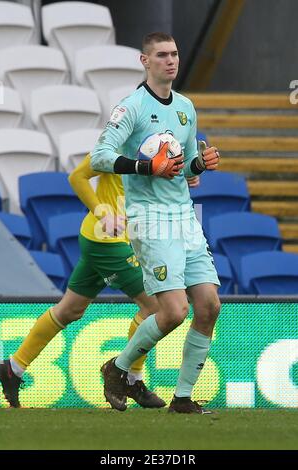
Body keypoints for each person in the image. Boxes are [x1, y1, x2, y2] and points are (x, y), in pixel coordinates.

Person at [0, 153, 199, 410]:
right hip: (106, 241)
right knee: (158, 307)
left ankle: (13, 368)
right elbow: (77, 176)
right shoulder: (112, 149)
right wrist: (102, 213)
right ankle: (130, 377)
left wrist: (185, 177)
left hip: (116, 239)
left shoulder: (154, 148)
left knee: (69, 310)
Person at [90, 32, 221, 414]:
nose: (171, 60)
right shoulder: (130, 107)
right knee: (175, 311)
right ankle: (117, 368)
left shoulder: (185, 107)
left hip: (184, 215)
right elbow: (100, 157)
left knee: (209, 305)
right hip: (148, 217)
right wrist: (147, 166)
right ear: (144, 61)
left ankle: (181, 399)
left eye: (175, 54)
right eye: (161, 55)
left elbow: (185, 167)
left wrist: (202, 163)